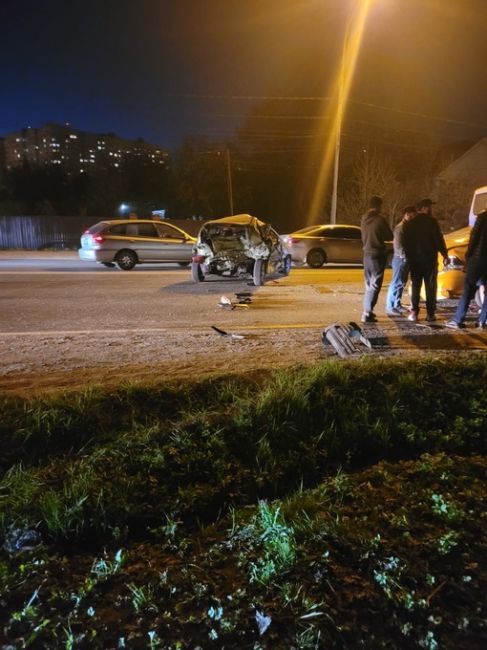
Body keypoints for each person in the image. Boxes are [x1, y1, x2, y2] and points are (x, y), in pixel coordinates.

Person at [403, 198, 448, 322]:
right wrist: (445, 255)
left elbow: (406, 243)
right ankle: (430, 313)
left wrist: (409, 258)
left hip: (415, 261)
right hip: (429, 260)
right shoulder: (432, 222)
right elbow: (439, 239)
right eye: (429, 206)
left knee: (416, 286)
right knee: (430, 287)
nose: (430, 209)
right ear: (423, 208)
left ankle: (414, 313)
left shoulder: (410, 223)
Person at [445, 207, 487, 330]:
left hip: (477, 258)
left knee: (468, 289)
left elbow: (474, 238)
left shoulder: (482, 217)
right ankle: (482, 321)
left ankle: (457, 319)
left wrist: (468, 256)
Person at [360, 196, 393, 323]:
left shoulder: (364, 219)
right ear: (379, 206)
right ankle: (367, 312)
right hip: (377, 254)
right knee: (375, 284)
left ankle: (367, 311)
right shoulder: (380, 220)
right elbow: (389, 235)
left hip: (366, 254)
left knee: (368, 284)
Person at [385, 206, 416, 315]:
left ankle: (396, 304)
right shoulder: (400, 228)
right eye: (411, 214)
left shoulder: (407, 227)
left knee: (401, 283)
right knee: (396, 283)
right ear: (406, 214)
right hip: (400, 259)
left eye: (413, 215)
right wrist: (405, 257)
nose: (412, 217)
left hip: (404, 259)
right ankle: (390, 306)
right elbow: (399, 245)